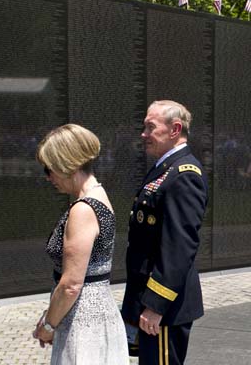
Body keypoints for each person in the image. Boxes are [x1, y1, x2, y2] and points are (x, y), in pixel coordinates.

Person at [121, 100, 209, 365]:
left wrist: (156, 304)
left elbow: (179, 247)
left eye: (150, 127)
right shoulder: (166, 167)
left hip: (164, 307)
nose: (143, 134)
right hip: (146, 295)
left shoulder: (184, 174)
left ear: (175, 129)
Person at [33, 124, 129, 365]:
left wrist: (48, 325)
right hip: (93, 317)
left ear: (68, 164)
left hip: (83, 323)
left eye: (50, 168)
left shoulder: (84, 209)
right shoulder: (98, 195)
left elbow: (71, 285)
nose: (48, 177)